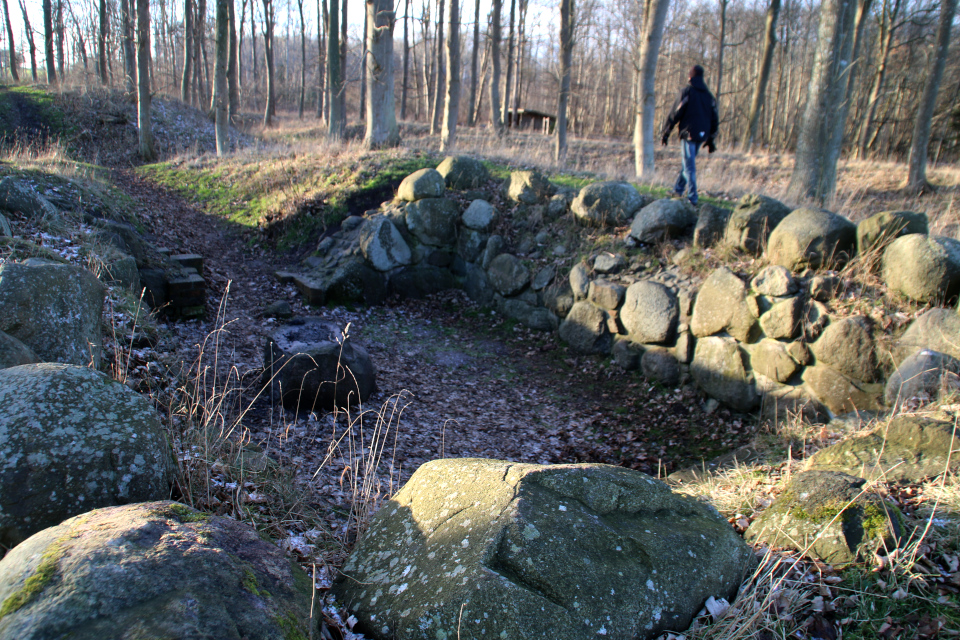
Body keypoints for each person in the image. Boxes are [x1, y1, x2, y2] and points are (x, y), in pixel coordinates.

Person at [660, 65, 719, 206]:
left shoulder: (687, 92)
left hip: (689, 134)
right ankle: (678, 190)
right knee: (687, 163)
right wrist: (711, 138)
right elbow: (714, 118)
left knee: (689, 166)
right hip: (701, 135)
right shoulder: (709, 96)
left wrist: (666, 132)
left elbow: (675, 113)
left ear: (690, 77)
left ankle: (693, 197)